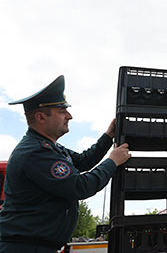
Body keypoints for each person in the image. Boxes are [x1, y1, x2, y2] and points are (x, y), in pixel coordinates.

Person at [0, 75, 131, 253]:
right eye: (62, 111)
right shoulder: (35, 152)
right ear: (41, 117)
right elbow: (79, 187)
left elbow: (83, 161)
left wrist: (108, 137)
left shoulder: (49, 148)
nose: (69, 116)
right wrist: (113, 161)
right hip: (26, 247)